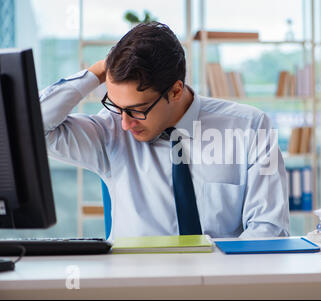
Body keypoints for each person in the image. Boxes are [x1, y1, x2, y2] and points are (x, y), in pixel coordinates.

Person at [40, 22, 289, 240]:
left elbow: (269, 229)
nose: (125, 123)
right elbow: (34, 129)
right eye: (116, 106)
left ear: (176, 91)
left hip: (220, 283)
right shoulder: (109, 131)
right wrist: (98, 71)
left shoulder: (250, 127)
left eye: (137, 110)